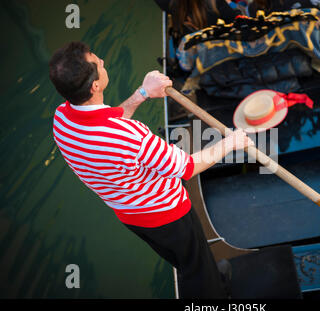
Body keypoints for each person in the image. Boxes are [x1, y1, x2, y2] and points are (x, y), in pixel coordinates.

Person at [49, 41, 254, 298]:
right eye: (97, 62)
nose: (102, 62)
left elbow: (112, 122)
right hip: (167, 214)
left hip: (130, 214)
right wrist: (230, 143)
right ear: (96, 86)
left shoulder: (62, 118)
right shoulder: (129, 136)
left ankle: (209, 273)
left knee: (186, 260)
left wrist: (142, 93)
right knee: (196, 271)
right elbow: (186, 168)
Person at [154, 0, 240, 45]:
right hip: (212, 49)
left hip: (187, 55)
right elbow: (235, 20)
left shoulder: (169, 3)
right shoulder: (214, 2)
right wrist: (231, 4)